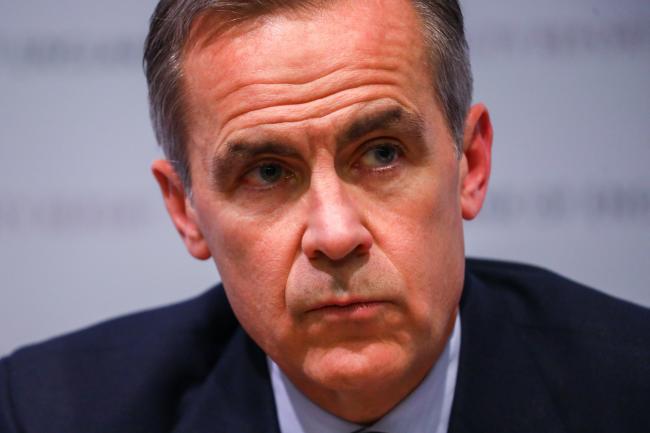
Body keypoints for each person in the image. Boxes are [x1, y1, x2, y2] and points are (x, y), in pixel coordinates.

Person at [1, 1, 648, 432]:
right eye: (267, 172)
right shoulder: (50, 411)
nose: (336, 235)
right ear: (187, 210)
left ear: (470, 166)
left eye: (383, 153)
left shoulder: (629, 388)